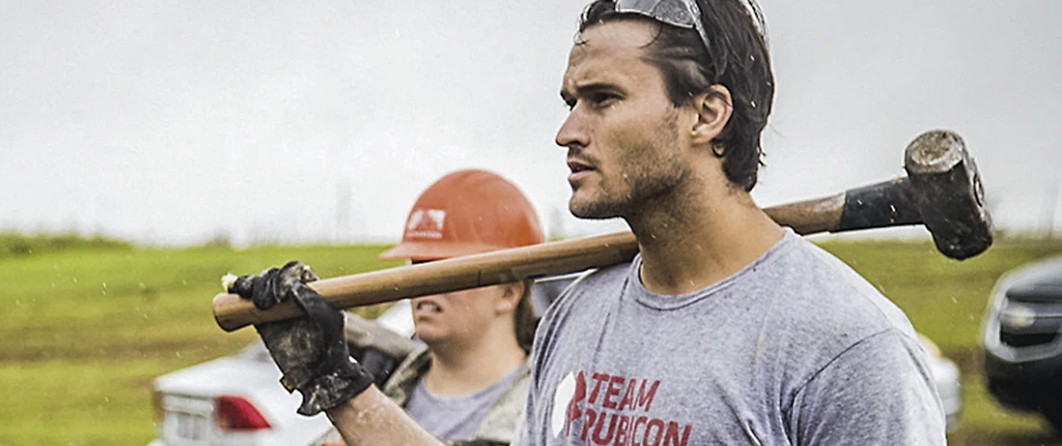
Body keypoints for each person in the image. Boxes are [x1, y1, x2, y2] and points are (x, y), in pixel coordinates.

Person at [227, 0, 946, 445]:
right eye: (570, 100)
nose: (567, 131)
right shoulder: (581, 313)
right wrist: (336, 383)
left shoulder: (846, 347)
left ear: (707, 113)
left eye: (602, 100)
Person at [322, 169, 545, 445]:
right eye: (418, 267)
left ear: (508, 293)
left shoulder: (548, 409)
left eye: (444, 268)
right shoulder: (389, 386)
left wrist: (339, 389)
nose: (425, 285)